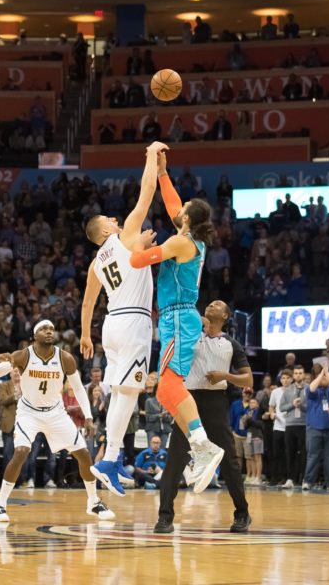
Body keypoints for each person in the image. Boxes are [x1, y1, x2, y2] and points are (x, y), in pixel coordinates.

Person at [126, 149, 226, 495]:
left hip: (179, 318)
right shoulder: (188, 238)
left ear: (186, 219)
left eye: (182, 211)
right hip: (176, 319)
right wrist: (164, 174)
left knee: (167, 388)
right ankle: (200, 447)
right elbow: (173, 206)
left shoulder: (179, 243)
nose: (176, 211)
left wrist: (133, 244)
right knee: (167, 393)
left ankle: (204, 445)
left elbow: (139, 261)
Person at [82, 141, 166, 496]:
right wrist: (150, 155)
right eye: (109, 221)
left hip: (110, 325)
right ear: (104, 232)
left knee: (121, 392)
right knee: (130, 393)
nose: (116, 220)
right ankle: (109, 458)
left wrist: (86, 335)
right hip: (132, 322)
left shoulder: (95, 263)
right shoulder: (126, 236)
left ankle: (112, 461)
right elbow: (146, 193)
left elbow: (87, 304)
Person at [0, 321, 114, 522]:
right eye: (43, 329)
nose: (49, 331)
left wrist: (89, 417)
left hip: (56, 413)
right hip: (29, 412)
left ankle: (94, 502)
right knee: (21, 451)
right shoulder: (23, 355)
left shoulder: (65, 358)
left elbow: (79, 389)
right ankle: (0, 505)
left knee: (83, 454)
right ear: (34, 335)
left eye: (51, 329)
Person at [155, 300, 252, 534]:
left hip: (216, 404)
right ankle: (164, 517)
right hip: (188, 401)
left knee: (229, 462)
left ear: (226, 316)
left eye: (218, 305)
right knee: (175, 460)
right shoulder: (191, 333)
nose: (211, 305)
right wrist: (196, 321)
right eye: (209, 304)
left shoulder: (231, 344)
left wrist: (225, 376)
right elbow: (179, 319)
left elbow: (248, 380)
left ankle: (242, 514)